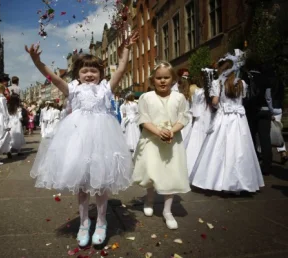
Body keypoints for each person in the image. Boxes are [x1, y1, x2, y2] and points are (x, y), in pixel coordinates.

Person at [26, 31, 138, 247]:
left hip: (103, 140)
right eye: (84, 70)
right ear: (77, 74)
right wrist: (37, 61)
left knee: (102, 182)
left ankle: (102, 221)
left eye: (93, 70)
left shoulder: (106, 88)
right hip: (78, 140)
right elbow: (54, 77)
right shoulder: (73, 89)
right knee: (82, 185)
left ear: (100, 73)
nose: (89, 74)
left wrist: (126, 49)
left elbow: (122, 68)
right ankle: (84, 222)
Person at [190, 52, 264, 194]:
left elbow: (215, 102)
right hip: (239, 120)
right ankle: (241, 181)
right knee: (240, 148)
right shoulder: (241, 83)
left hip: (224, 118)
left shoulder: (217, 83)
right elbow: (242, 100)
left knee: (220, 148)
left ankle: (218, 180)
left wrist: (217, 106)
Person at [132, 61, 190, 230]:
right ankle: (149, 199)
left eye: (166, 77)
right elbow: (143, 119)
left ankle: (167, 210)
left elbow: (184, 117)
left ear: (173, 79)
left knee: (170, 173)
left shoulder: (179, 98)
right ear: (153, 80)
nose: (163, 81)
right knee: (151, 171)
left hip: (172, 142)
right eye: (159, 78)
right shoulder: (146, 97)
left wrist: (172, 130)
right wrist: (158, 131)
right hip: (151, 140)